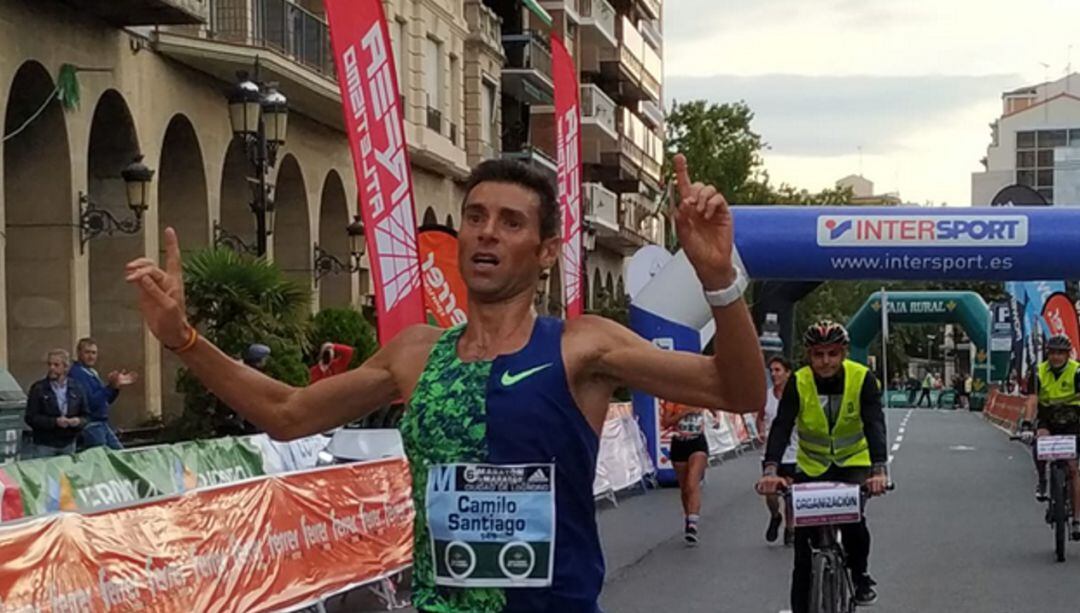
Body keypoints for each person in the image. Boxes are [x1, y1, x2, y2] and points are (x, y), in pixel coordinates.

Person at [125, 156, 766, 613]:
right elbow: (288, 413)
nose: (487, 231)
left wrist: (718, 281)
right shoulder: (415, 353)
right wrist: (184, 340)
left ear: (546, 252)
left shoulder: (581, 346)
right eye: (476, 216)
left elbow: (738, 391)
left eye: (511, 222)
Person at [756, 321, 889, 612]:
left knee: (854, 523)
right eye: (818, 355)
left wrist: (879, 470)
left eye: (832, 353)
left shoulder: (862, 378)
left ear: (843, 353)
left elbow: (874, 424)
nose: (825, 361)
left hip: (853, 462)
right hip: (812, 465)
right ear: (809, 355)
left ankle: (860, 574)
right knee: (803, 552)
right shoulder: (799, 381)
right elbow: (781, 427)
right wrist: (770, 470)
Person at [1023, 335, 1080, 531]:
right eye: (1052, 353)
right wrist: (1026, 424)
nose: (1056, 357)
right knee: (1039, 443)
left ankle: (1076, 520)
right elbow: (1031, 400)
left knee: (1073, 469)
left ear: (1067, 355)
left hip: (1073, 419)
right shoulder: (1038, 372)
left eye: (1060, 353)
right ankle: (1042, 478)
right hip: (1048, 418)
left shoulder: (1077, 371)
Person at [69, 337, 136, 450]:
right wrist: (109, 387)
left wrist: (115, 387)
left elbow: (106, 401)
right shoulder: (77, 374)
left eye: (94, 353)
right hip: (91, 425)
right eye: (87, 352)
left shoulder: (91, 372)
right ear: (79, 353)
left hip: (102, 423)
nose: (91, 356)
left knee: (120, 455)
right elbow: (90, 402)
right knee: (105, 459)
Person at [757, 355, 797, 545]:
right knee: (770, 494)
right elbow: (760, 417)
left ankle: (790, 529)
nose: (773, 374)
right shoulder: (766, 396)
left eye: (778, 370)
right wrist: (761, 431)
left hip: (793, 452)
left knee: (790, 494)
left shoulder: (797, 396)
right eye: (771, 370)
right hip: (770, 454)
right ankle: (775, 516)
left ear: (788, 373)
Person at [660, 400, 711, 546]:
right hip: (679, 443)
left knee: (692, 482)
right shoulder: (672, 400)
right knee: (685, 488)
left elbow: (714, 402)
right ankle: (688, 518)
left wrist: (715, 418)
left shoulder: (699, 395)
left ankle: (693, 524)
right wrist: (684, 413)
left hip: (697, 442)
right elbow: (666, 422)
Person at [24, 349, 90, 458]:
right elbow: (30, 417)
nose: (52, 368)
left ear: (66, 367)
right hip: (45, 444)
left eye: (56, 365)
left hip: (68, 443)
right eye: (49, 364)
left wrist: (78, 421)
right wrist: (54, 422)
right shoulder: (39, 389)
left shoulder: (77, 388)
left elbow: (86, 415)